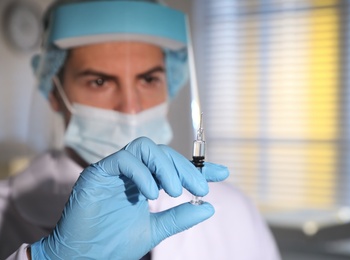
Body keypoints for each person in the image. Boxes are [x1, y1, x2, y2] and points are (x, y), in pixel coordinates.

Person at [0, 0, 281, 259]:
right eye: (99, 81)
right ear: (54, 92)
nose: (131, 108)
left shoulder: (233, 212)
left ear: (170, 82)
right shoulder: (6, 212)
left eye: (148, 79)